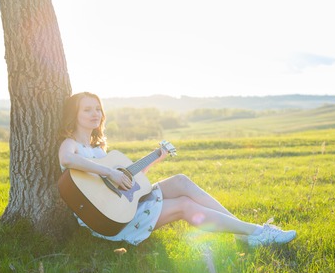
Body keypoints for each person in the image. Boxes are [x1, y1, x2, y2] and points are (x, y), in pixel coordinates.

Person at [58, 92, 296, 246]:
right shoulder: (72, 144)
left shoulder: (100, 150)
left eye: (97, 109)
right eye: (87, 109)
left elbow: (132, 189)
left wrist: (155, 159)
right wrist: (110, 173)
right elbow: (67, 160)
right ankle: (257, 234)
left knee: (181, 181)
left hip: (123, 207)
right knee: (185, 205)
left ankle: (244, 231)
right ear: (74, 115)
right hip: (107, 220)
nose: (95, 114)